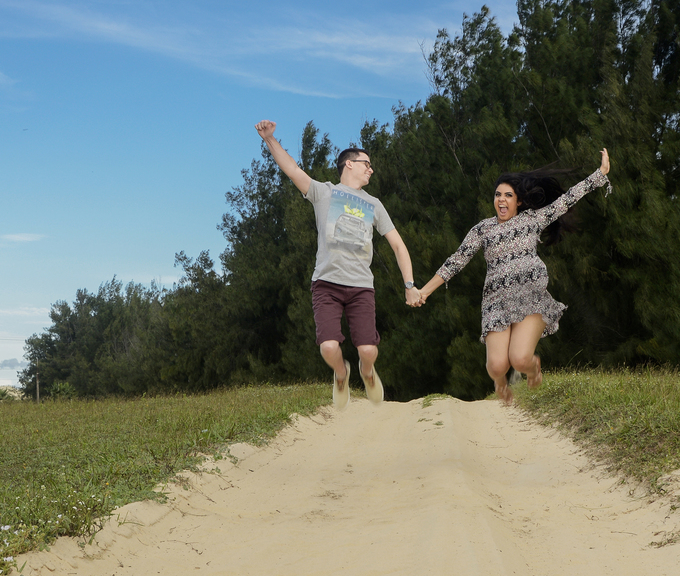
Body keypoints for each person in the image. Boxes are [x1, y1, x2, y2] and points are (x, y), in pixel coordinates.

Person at [416, 149, 612, 405]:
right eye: (498, 194)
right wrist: (424, 291)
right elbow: (456, 261)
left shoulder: (532, 219)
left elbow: (566, 200)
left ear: (518, 201)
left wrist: (600, 175)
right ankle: (500, 383)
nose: (502, 200)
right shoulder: (482, 229)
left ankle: (533, 368)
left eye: (508, 195)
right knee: (497, 366)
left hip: (530, 296)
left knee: (519, 359)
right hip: (496, 301)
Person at [254, 120, 422, 410]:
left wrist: (409, 285)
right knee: (329, 347)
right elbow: (292, 169)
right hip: (326, 284)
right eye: (366, 163)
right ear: (348, 164)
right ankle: (341, 373)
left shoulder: (375, 204)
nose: (371, 169)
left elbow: (398, 245)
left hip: (360, 288)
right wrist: (270, 139)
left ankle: (366, 372)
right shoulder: (324, 193)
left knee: (368, 350)